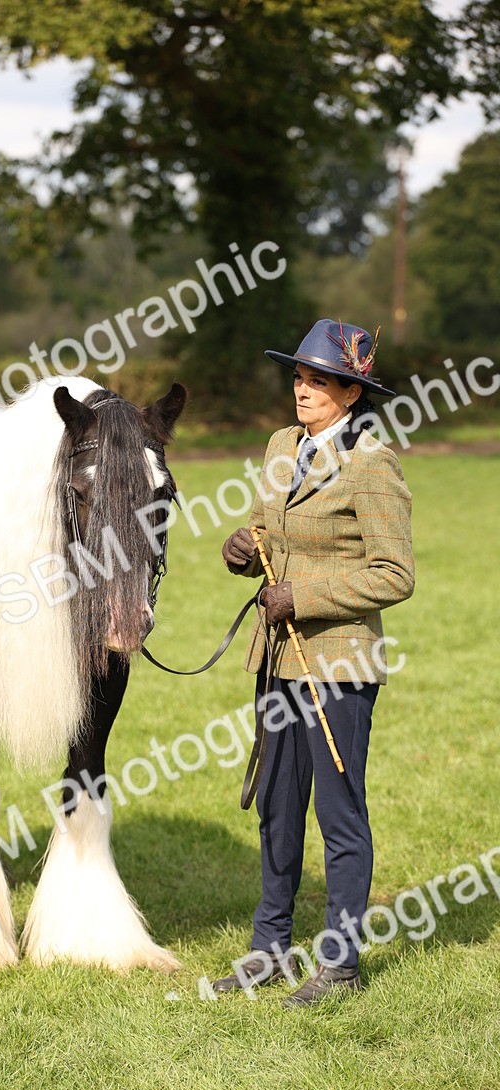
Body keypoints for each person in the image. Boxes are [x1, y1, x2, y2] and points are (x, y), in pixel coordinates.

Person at [213, 318, 414, 1007]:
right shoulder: (281, 445)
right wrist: (246, 549)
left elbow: (395, 574)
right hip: (277, 658)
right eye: (298, 377)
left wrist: (304, 596)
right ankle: (268, 950)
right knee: (276, 808)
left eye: (318, 381)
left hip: (338, 666)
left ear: (351, 393)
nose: (302, 390)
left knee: (338, 815)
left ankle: (341, 964)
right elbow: (270, 528)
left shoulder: (372, 463)